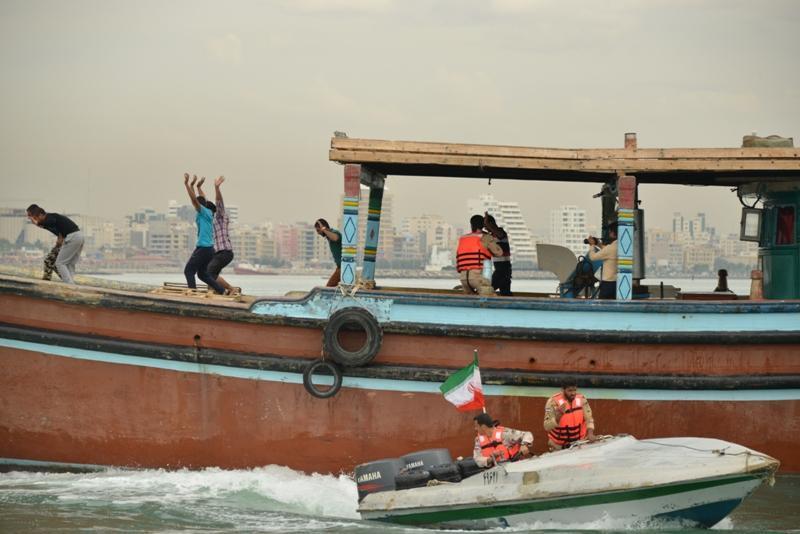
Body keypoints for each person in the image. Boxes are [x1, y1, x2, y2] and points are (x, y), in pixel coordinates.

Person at [183, 173, 225, 294]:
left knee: (189, 270)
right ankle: (221, 291)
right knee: (202, 274)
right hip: (210, 249)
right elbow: (202, 198)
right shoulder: (208, 213)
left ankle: (193, 293)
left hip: (203, 248)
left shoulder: (203, 212)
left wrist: (186, 184)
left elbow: (194, 200)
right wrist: (196, 186)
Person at [26, 204, 84, 284]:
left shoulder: (50, 217)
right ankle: (71, 283)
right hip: (79, 236)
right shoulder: (51, 219)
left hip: (73, 237)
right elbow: (53, 229)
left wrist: (38, 223)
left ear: (40, 214)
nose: (34, 220)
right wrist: (40, 224)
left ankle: (70, 285)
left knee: (59, 263)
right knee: (70, 264)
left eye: (35, 218)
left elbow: (51, 222)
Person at [197, 176, 235, 295]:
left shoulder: (220, 217)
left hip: (225, 252)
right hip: (217, 253)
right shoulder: (210, 220)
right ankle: (228, 290)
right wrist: (198, 187)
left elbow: (218, 202)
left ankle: (220, 291)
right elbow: (203, 202)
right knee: (207, 273)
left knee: (208, 272)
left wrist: (217, 188)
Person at [456, 214, 503, 296]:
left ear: (471, 225)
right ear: (483, 225)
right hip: (477, 277)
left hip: (463, 278)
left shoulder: (463, 238)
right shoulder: (485, 237)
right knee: (489, 297)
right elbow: (499, 253)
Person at [544, 381, 596, 451]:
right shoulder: (552, 402)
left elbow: (589, 418)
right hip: (558, 446)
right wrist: (558, 416)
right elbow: (547, 426)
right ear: (562, 390)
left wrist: (590, 433)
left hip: (579, 444)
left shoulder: (582, 399)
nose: (573, 393)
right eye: (570, 391)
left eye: (575, 390)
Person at [587, 222, 618, 299]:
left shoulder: (610, 248)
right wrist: (598, 244)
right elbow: (607, 251)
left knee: (603, 306)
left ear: (614, 233)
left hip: (608, 284)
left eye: (610, 231)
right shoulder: (618, 246)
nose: (609, 233)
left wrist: (592, 245)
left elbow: (593, 257)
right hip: (616, 283)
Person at [484, 212, 512, 296]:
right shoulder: (491, 236)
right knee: (505, 293)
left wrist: (487, 224)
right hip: (500, 268)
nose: (486, 228)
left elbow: (496, 232)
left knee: (488, 290)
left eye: (486, 226)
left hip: (503, 269)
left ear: (491, 224)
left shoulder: (501, 232)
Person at [315, 218, 342, 287]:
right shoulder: (328, 237)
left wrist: (323, 229)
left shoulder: (335, 232)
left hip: (342, 268)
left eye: (318, 230)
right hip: (339, 267)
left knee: (329, 287)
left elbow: (335, 238)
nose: (318, 233)